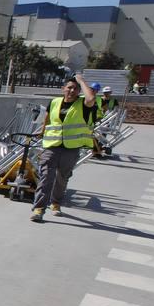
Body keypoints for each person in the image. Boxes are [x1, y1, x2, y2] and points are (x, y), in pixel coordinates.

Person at [30, 73, 96, 222]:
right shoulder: (54, 102)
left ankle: (56, 203)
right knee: (46, 177)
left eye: (76, 89)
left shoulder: (83, 105)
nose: (72, 91)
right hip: (51, 146)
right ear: (63, 89)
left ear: (79, 91)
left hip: (71, 148)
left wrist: (80, 80)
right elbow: (47, 118)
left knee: (62, 178)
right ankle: (39, 209)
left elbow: (91, 98)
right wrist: (42, 131)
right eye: (70, 87)